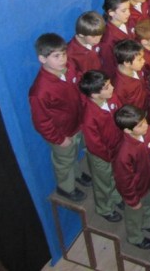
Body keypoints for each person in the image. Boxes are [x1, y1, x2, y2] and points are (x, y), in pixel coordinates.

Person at [29, 33, 90, 203]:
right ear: (42, 59)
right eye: (56, 56)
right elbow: (41, 122)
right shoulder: (40, 90)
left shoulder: (69, 68)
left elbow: (79, 88)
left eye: (63, 54)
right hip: (62, 133)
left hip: (77, 124)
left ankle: (76, 174)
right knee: (64, 161)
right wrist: (59, 139)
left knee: (73, 153)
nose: (62, 59)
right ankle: (66, 188)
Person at [78, 70, 123, 222]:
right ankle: (104, 208)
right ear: (95, 95)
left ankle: (116, 197)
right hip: (101, 155)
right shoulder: (90, 116)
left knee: (115, 176)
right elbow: (94, 144)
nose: (112, 88)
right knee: (103, 182)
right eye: (107, 87)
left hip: (116, 148)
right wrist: (107, 156)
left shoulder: (112, 98)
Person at [112, 104, 150, 250]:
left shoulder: (148, 131)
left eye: (144, 121)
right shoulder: (124, 153)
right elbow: (124, 181)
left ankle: (147, 223)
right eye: (140, 125)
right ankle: (135, 237)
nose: (146, 126)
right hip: (136, 189)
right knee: (134, 214)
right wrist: (132, 200)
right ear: (127, 130)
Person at [98, 0, 132, 78]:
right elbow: (109, 66)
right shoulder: (108, 39)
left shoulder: (125, 21)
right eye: (124, 11)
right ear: (111, 13)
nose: (128, 13)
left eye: (129, 9)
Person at [112, 39, 149, 111]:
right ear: (127, 63)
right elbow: (123, 109)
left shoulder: (137, 68)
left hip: (146, 105)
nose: (144, 61)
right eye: (140, 59)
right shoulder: (119, 87)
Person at [66, 11, 105, 77]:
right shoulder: (70, 54)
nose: (98, 40)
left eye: (100, 35)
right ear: (81, 35)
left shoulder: (93, 40)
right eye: (93, 36)